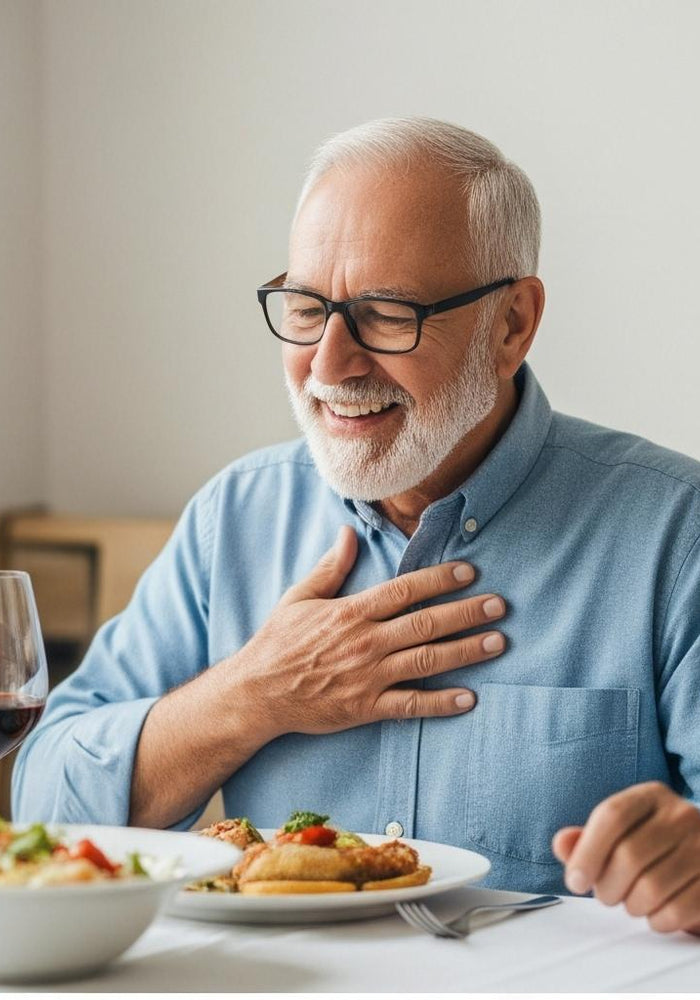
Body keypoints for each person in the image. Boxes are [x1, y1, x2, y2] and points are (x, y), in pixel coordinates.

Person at [13, 117, 700, 934]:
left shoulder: (675, 536)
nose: (330, 364)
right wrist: (252, 697)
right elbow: (45, 806)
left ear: (512, 323)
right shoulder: (232, 519)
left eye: (387, 314)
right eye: (307, 307)